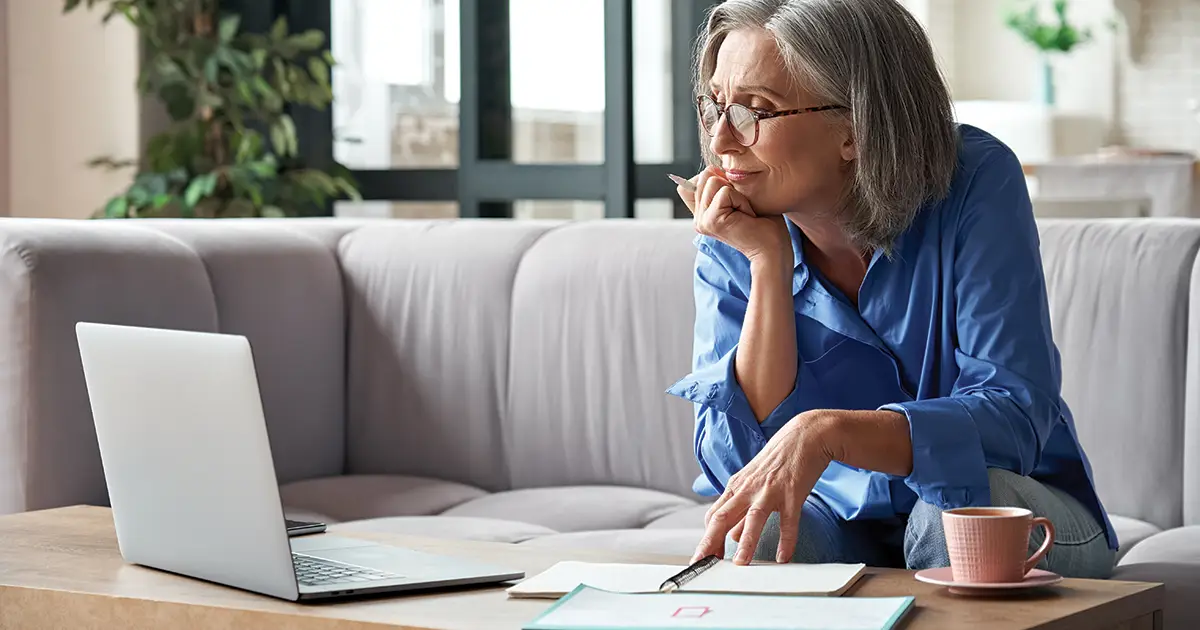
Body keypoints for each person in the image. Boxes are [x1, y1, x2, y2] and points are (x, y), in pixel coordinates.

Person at [665, 0, 1117, 578]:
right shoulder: (735, 227)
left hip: (1015, 507)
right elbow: (739, 466)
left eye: (755, 109)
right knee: (768, 527)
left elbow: (1014, 419)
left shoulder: (975, 181)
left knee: (951, 514)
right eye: (715, 105)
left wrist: (830, 432)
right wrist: (767, 266)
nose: (723, 139)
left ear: (855, 128)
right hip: (845, 522)